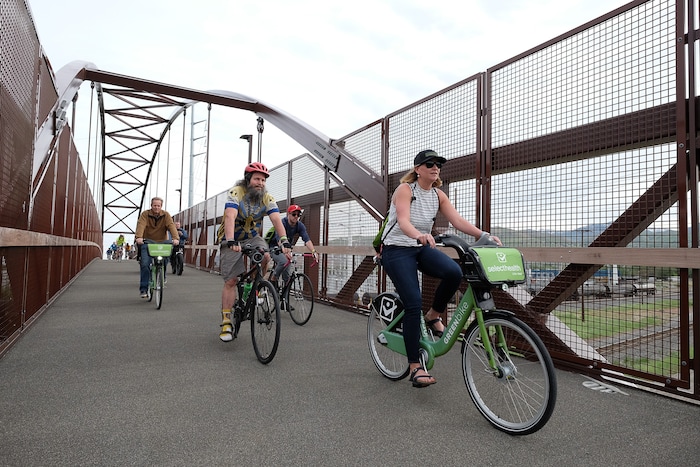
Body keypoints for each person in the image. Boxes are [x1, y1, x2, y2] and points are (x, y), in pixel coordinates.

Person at [380, 149, 501, 388]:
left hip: (419, 246)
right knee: (413, 303)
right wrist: (419, 234)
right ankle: (415, 366)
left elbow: (457, 220)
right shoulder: (405, 190)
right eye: (429, 164)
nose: (435, 168)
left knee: (454, 272)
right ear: (417, 169)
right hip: (396, 248)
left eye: (438, 165)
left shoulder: (438, 194)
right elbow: (403, 220)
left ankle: (434, 314)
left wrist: (483, 234)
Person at [216, 162, 291, 342]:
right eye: (257, 179)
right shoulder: (237, 192)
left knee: (266, 255)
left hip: (251, 236)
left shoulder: (267, 197)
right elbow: (230, 216)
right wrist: (231, 239)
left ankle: (257, 286)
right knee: (231, 280)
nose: (261, 183)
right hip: (231, 236)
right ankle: (226, 321)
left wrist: (284, 240)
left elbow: (275, 219)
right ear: (248, 179)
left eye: (263, 180)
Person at [134, 197, 180, 298]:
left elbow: (171, 226)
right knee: (145, 264)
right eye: (154, 205)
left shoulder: (166, 215)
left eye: (158, 206)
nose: (156, 207)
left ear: (161, 206)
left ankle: (161, 276)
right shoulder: (145, 214)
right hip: (147, 242)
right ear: (151, 205)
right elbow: (141, 225)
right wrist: (139, 237)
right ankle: (144, 289)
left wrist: (176, 238)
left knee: (164, 259)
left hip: (162, 242)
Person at [267, 204, 319, 286]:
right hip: (275, 247)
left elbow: (307, 239)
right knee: (283, 261)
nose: (296, 216)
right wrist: (284, 249)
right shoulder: (282, 223)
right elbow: (279, 238)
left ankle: (284, 296)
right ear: (288, 214)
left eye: (298, 215)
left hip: (287, 247)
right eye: (294, 214)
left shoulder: (299, 226)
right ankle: (273, 279)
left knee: (287, 276)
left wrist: (313, 251)